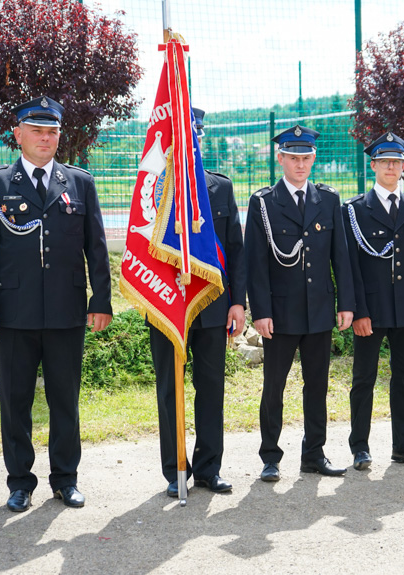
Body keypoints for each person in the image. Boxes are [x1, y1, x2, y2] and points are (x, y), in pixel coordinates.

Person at [0, 96, 113, 512]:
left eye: (52, 131)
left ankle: (65, 478)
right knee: (15, 402)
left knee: (65, 400)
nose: (46, 138)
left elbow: (97, 249)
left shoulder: (79, 182)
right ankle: (20, 482)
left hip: (67, 313)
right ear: (18, 134)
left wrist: (99, 299)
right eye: (37, 130)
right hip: (13, 314)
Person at [245, 125, 355, 482]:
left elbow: (341, 257)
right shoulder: (263, 203)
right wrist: (260, 312)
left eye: (306, 157)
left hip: (319, 311)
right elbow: (256, 263)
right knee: (274, 386)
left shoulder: (328, 199)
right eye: (293, 157)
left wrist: (346, 304)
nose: (300, 164)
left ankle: (314, 453)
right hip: (280, 313)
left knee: (317, 386)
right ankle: (270, 456)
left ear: (314, 158)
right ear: (280, 158)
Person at [148, 108, 247, 497]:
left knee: (211, 388)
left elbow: (236, 252)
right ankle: (176, 470)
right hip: (166, 301)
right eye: (183, 136)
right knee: (169, 390)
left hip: (211, 305)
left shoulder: (219, 188)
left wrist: (237, 303)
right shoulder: (153, 188)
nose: (191, 143)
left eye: (197, 136)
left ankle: (208, 468)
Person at [343, 132, 404, 471]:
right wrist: (358, 312)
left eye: (397, 162)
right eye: (385, 162)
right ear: (373, 166)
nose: (391, 167)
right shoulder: (354, 210)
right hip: (372, 310)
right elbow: (350, 267)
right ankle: (360, 448)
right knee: (364, 379)